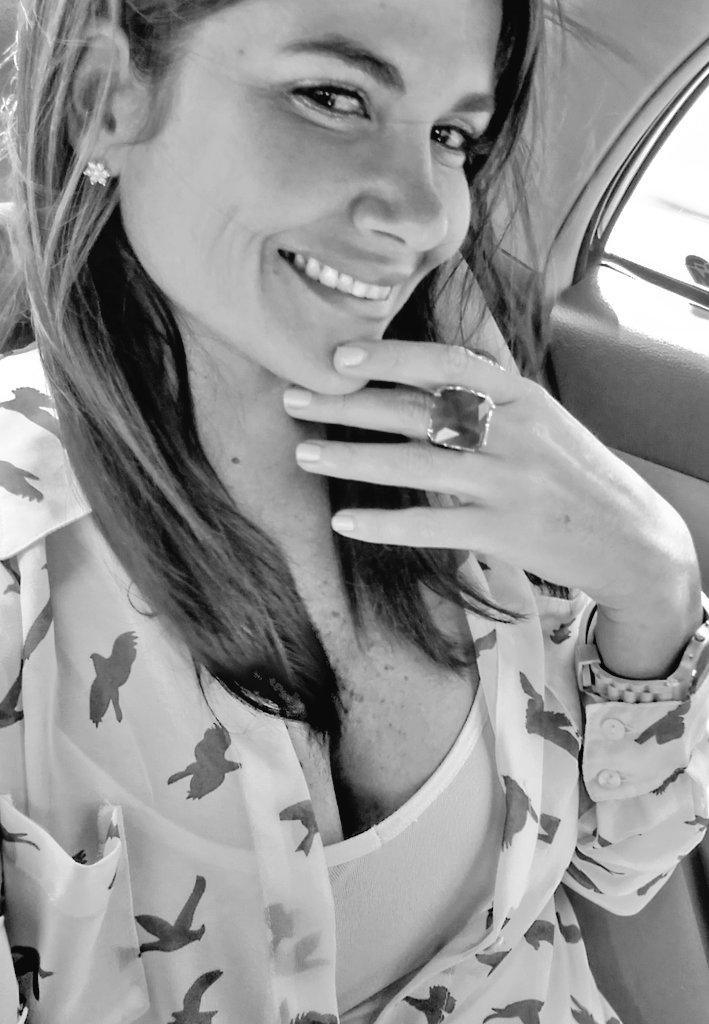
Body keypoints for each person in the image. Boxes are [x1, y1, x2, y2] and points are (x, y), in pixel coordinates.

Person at [0, 1, 707, 1023]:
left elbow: (619, 871)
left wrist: (653, 585)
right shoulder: (22, 563)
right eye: (332, 97)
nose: (424, 215)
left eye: (451, 135)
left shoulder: (478, 448)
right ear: (102, 99)